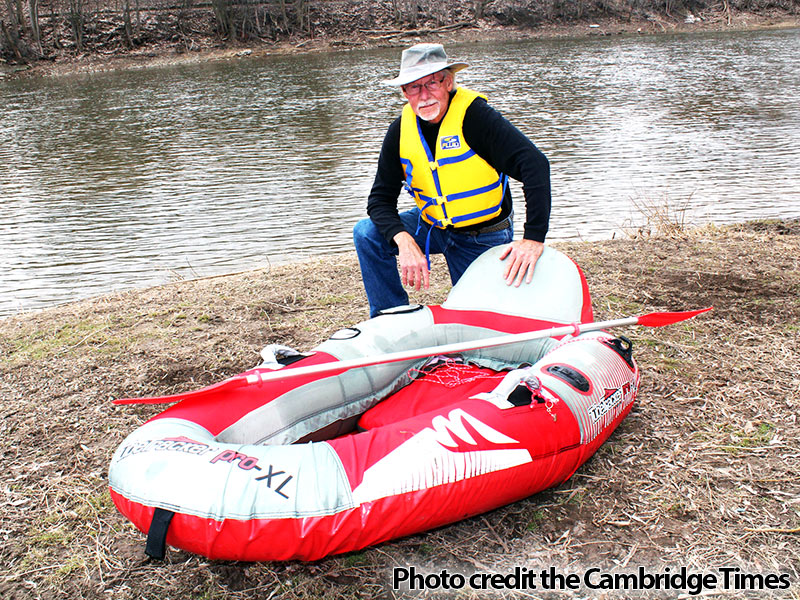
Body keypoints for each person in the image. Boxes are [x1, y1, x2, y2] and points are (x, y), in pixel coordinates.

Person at [353, 43, 551, 318]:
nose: (424, 95)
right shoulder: (400, 130)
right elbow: (379, 200)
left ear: (448, 82)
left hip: (482, 236)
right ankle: (391, 321)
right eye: (414, 87)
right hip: (433, 227)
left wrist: (533, 238)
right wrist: (404, 241)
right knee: (367, 233)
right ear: (404, 92)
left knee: (481, 322)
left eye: (432, 83)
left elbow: (535, 165)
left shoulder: (476, 118)